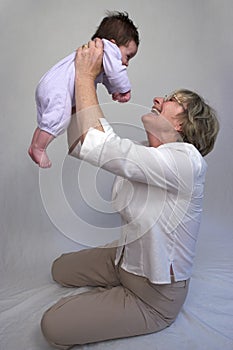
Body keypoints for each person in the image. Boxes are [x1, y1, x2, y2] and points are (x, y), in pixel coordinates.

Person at [40, 39, 219, 349]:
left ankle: (129, 304)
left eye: (173, 99)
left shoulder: (187, 161)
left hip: (155, 296)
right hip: (124, 261)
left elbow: (101, 146)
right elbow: (84, 145)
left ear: (185, 122)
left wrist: (84, 77)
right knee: (59, 269)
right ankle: (114, 284)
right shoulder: (143, 153)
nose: (158, 98)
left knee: (52, 326)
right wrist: (79, 89)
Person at [28, 11, 139, 168]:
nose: (126, 63)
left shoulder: (96, 53)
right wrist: (124, 89)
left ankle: (35, 145)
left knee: (47, 122)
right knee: (59, 119)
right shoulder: (107, 49)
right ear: (113, 44)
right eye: (128, 56)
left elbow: (106, 76)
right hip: (58, 88)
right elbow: (116, 72)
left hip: (48, 84)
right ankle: (38, 147)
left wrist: (113, 91)